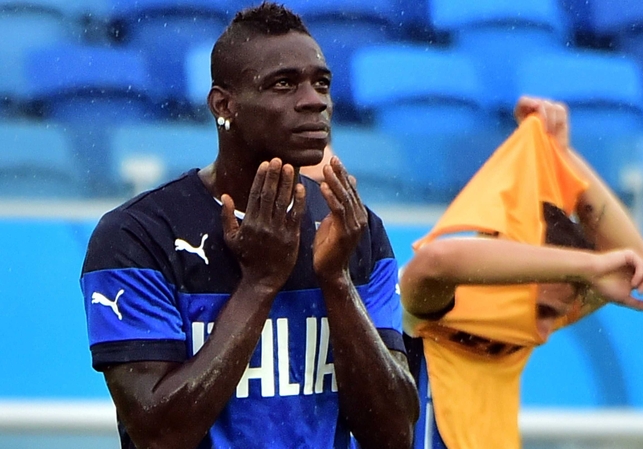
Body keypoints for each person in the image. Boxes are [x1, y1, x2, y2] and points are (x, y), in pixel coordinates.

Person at [79, 3, 418, 449]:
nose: (314, 100)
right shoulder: (138, 237)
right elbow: (159, 435)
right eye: (283, 83)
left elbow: (394, 434)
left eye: (322, 83)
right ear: (224, 104)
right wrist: (259, 283)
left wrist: (336, 280)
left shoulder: (354, 228)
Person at [400, 97, 643, 449]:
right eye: (542, 309)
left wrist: (560, 153)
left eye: (553, 315)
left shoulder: (531, 318)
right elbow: (435, 259)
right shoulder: (444, 305)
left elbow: (633, 261)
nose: (544, 333)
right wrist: (589, 266)